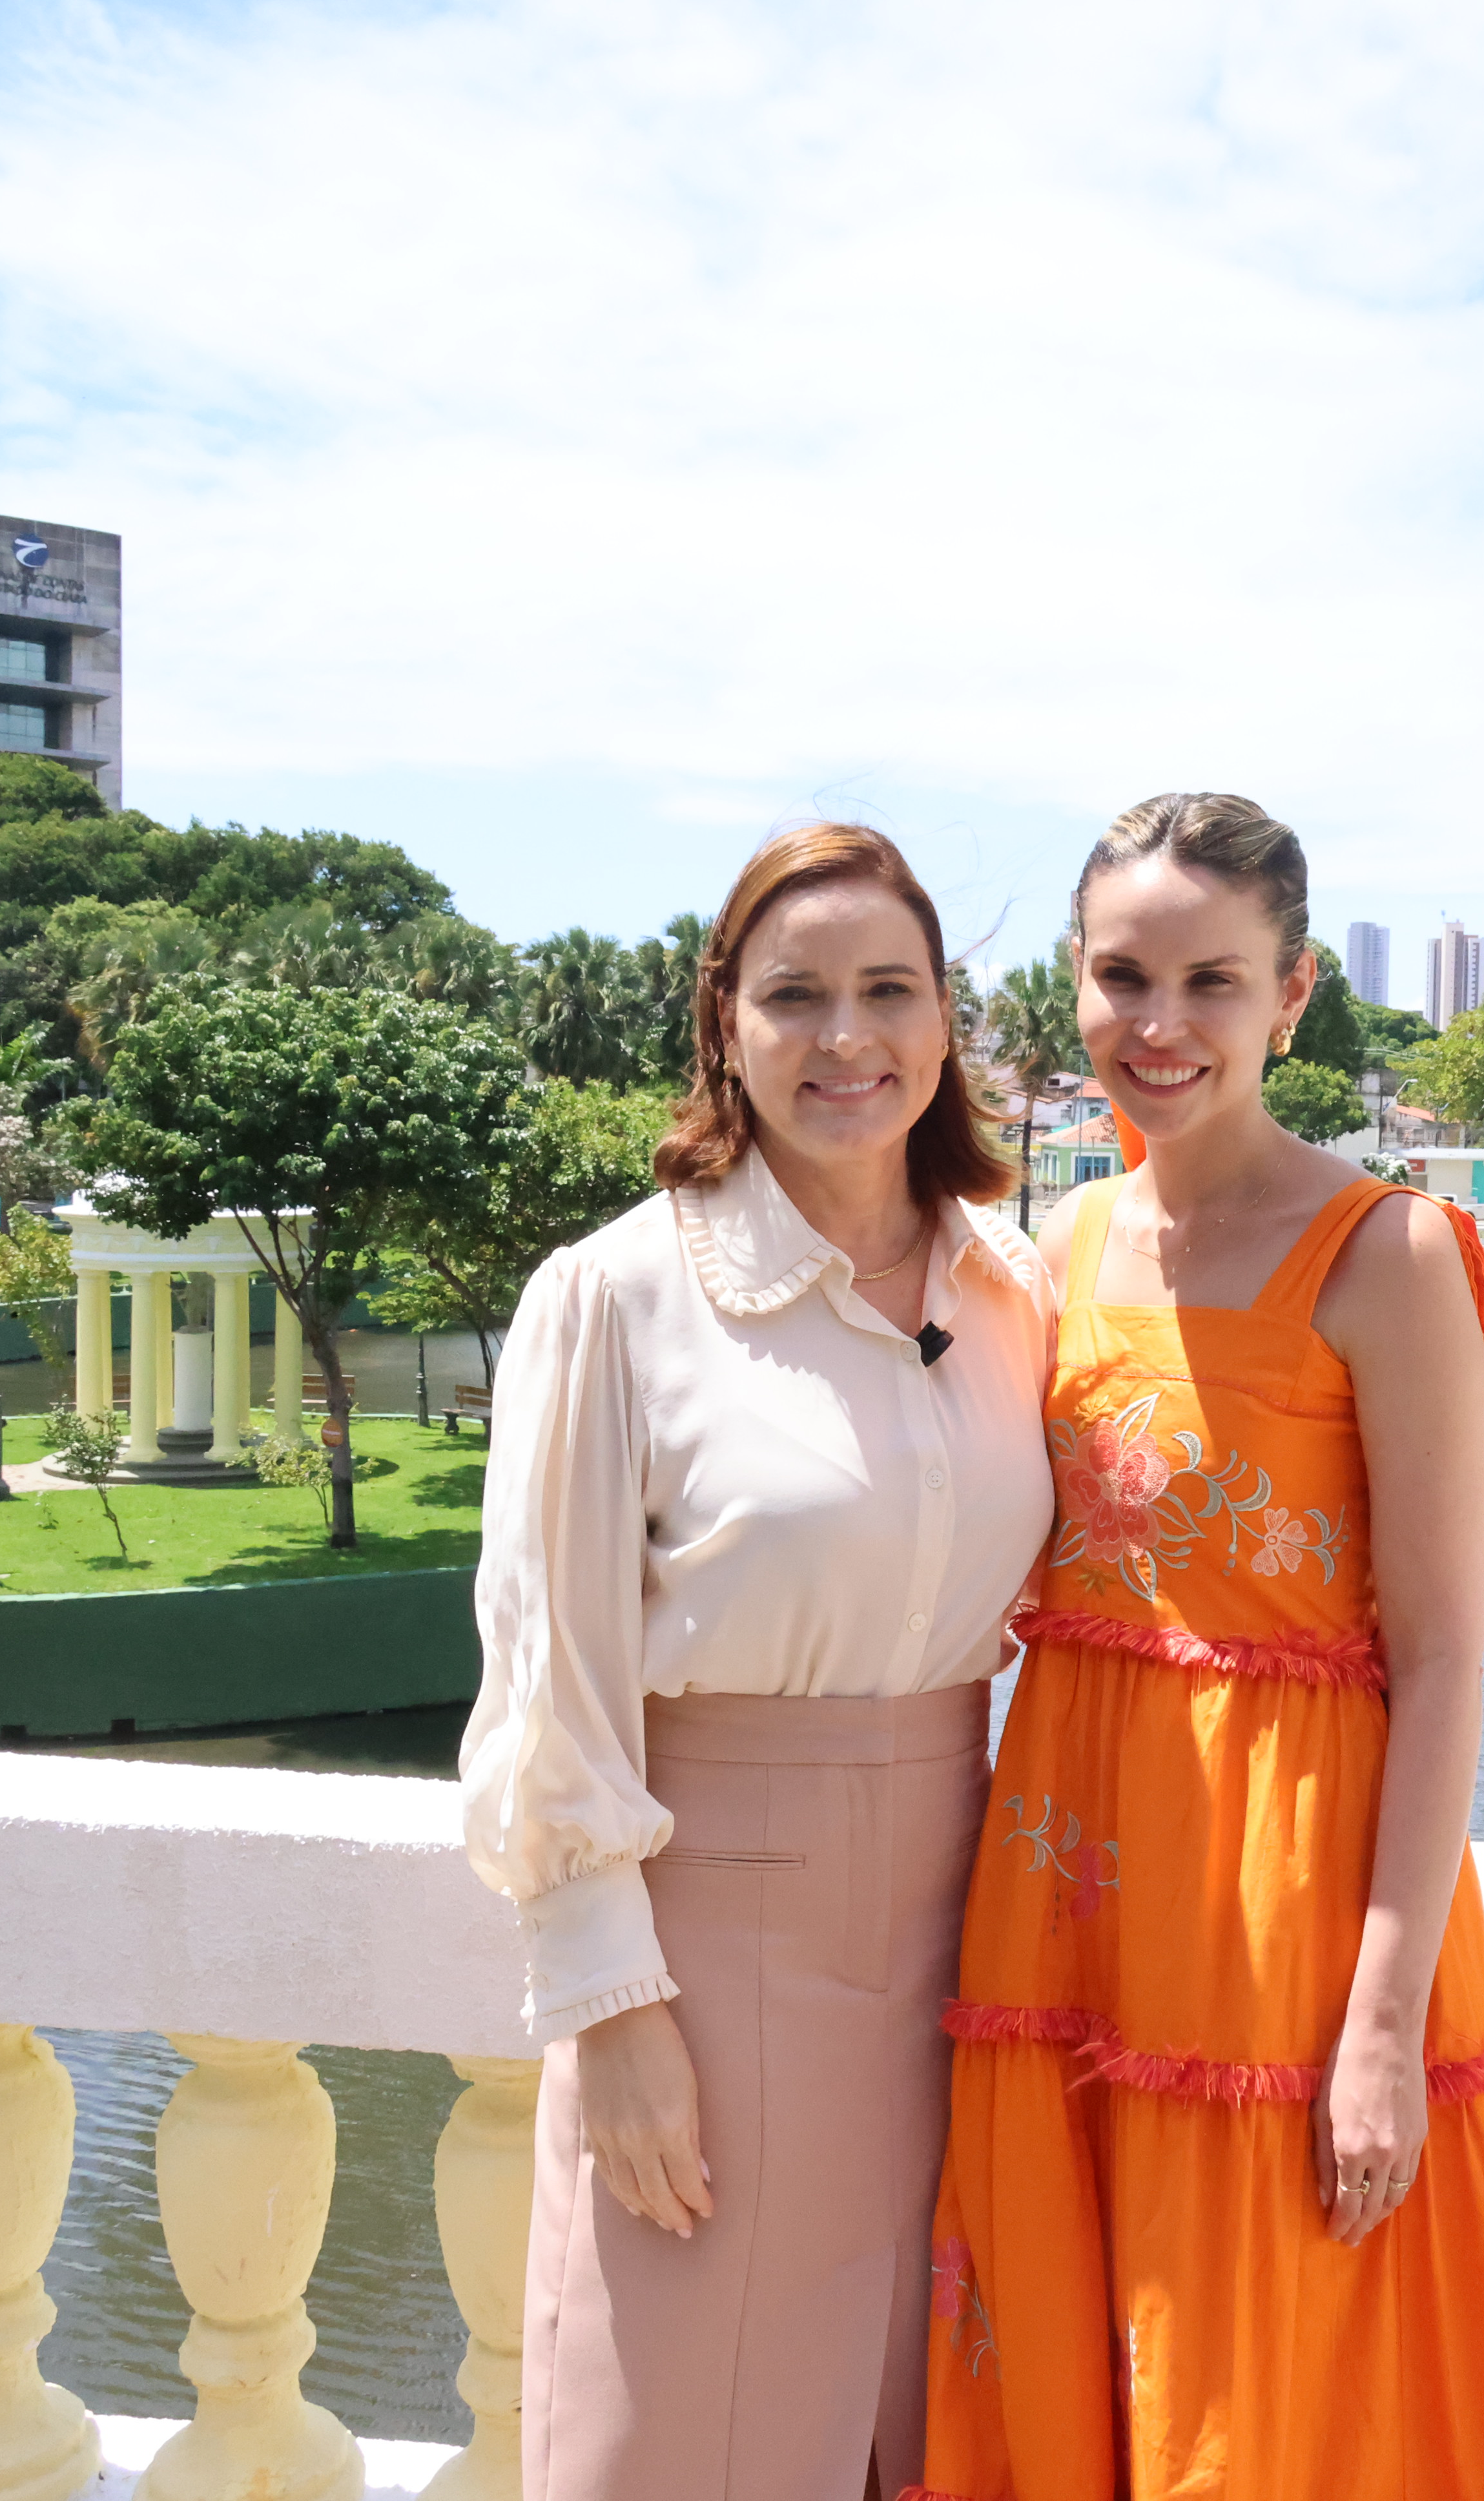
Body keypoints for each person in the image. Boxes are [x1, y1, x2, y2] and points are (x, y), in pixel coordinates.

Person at [911, 794, 1484, 2501]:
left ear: (1290, 996)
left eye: (1211, 981)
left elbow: (1443, 1659)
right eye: (1121, 977)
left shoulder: (1389, 1253)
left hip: (1283, 1908)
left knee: (1259, 2374)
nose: (1160, 1024)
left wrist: (1381, 2027)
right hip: (1068, 1878)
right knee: (1070, 2347)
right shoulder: (1059, 1246)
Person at [460, 822, 1058, 2501]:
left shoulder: (1011, 1288)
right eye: (796, 995)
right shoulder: (617, 1297)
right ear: (725, 1018)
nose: (846, 1037)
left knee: (919, 2433)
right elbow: (548, 1682)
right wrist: (612, 2013)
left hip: (973, 1943)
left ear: (946, 1019)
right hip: (711, 1957)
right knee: (684, 2429)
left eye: (890, 990)